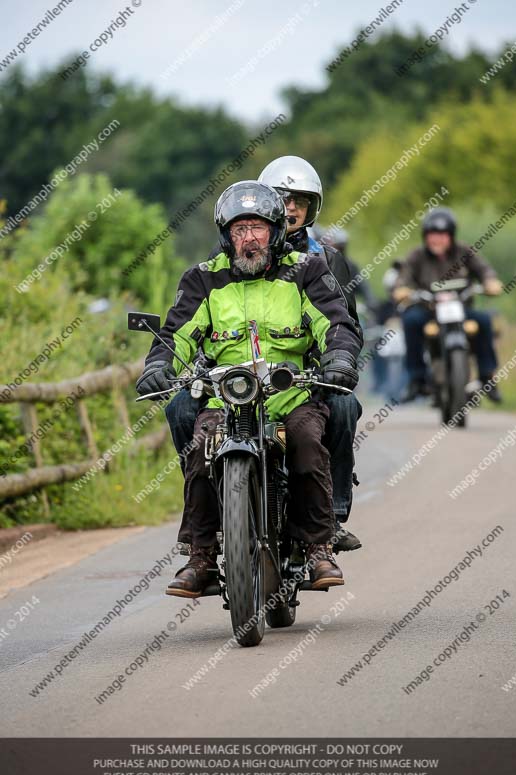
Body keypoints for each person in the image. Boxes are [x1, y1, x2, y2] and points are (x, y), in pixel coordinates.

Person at [136, 181, 361, 598]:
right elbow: (177, 332)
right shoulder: (204, 279)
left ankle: (317, 548)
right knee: (202, 452)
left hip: (289, 394)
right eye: (239, 230)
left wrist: (340, 357)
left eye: (257, 228)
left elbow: (336, 322)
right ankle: (201, 557)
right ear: (226, 236)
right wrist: (158, 365)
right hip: (227, 396)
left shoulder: (308, 270)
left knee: (308, 442)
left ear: (275, 231)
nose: (249, 238)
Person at [257, 156, 364, 552]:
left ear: (311, 209)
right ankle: (209, 517)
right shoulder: (242, 252)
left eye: (299, 201)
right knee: (184, 408)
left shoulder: (330, 260)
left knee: (344, 405)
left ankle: (332, 515)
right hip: (245, 378)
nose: (289, 208)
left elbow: (348, 323)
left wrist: (336, 361)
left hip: (308, 378)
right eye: (281, 198)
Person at [394, 207, 503, 402]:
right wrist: (402, 289)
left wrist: (490, 282)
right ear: (425, 236)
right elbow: (404, 278)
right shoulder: (416, 255)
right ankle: (416, 380)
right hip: (428, 311)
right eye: (432, 235)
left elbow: (485, 270)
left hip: (461, 310)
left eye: (443, 235)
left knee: (485, 320)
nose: (437, 239)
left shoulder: (464, 252)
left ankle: (488, 377)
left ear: (451, 236)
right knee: (410, 321)